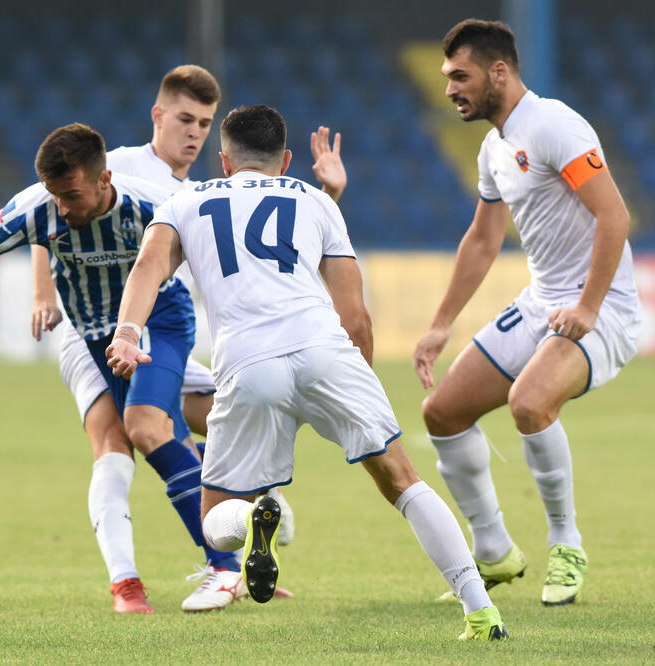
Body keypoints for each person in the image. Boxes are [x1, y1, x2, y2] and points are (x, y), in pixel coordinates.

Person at [106, 104, 508, 640]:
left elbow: (149, 268)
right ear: (287, 160)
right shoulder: (316, 201)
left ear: (223, 161)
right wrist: (354, 381)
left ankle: (253, 520)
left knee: (215, 524)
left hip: (249, 366)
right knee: (403, 480)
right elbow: (355, 314)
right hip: (324, 350)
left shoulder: (185, 201)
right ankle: (481, 613)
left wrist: (128, 333)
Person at [0, 123, 246, 615]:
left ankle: (224, 567)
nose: (63, 209)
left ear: (104, 179)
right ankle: (235, 528)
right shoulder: (38, 208)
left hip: (160, 321)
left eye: (72, 194)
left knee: (144, 427)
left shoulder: (153, 206)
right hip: (93, 337)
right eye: (56, 195)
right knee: (153, 437)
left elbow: (219, 258)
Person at [28, 65, 346, 611]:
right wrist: (43, 293)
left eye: (203, 122)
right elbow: (43, 213)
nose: (194, 132)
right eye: (183, 119)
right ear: (158, 116)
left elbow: (269, 244)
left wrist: (327, 194)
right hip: (92, 332)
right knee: (120, 440)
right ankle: (133, 581)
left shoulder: (205, 192)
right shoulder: (118, 167)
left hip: (161, 330)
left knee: (217, 414)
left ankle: (245, 520)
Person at [412, 19, 642, 607]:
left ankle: (567, 544)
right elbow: (483, 240)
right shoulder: (494, 147)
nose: (450, 90)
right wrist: (441, 324)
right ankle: (493, 552)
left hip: (603, 305)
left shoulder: (554, 126)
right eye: (445, 79)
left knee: (530, 403)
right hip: (542, 303)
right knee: (441, 412)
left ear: (499, 71)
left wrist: (589, 307)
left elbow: (614, 218)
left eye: (460, 77)